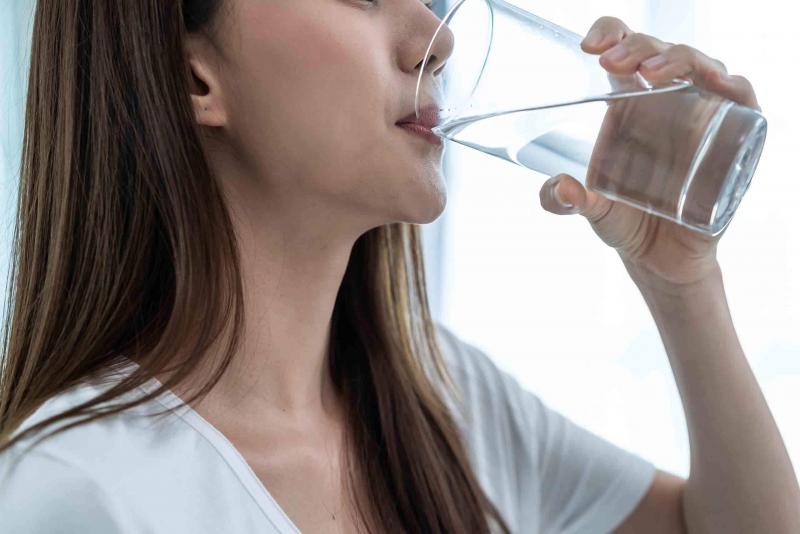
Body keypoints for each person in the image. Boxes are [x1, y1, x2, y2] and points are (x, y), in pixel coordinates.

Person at [0, 0, 797, 532]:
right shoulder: (79, 492)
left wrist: (683, 286)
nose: (437, 36)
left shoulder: (450, 402)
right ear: (193, 78)